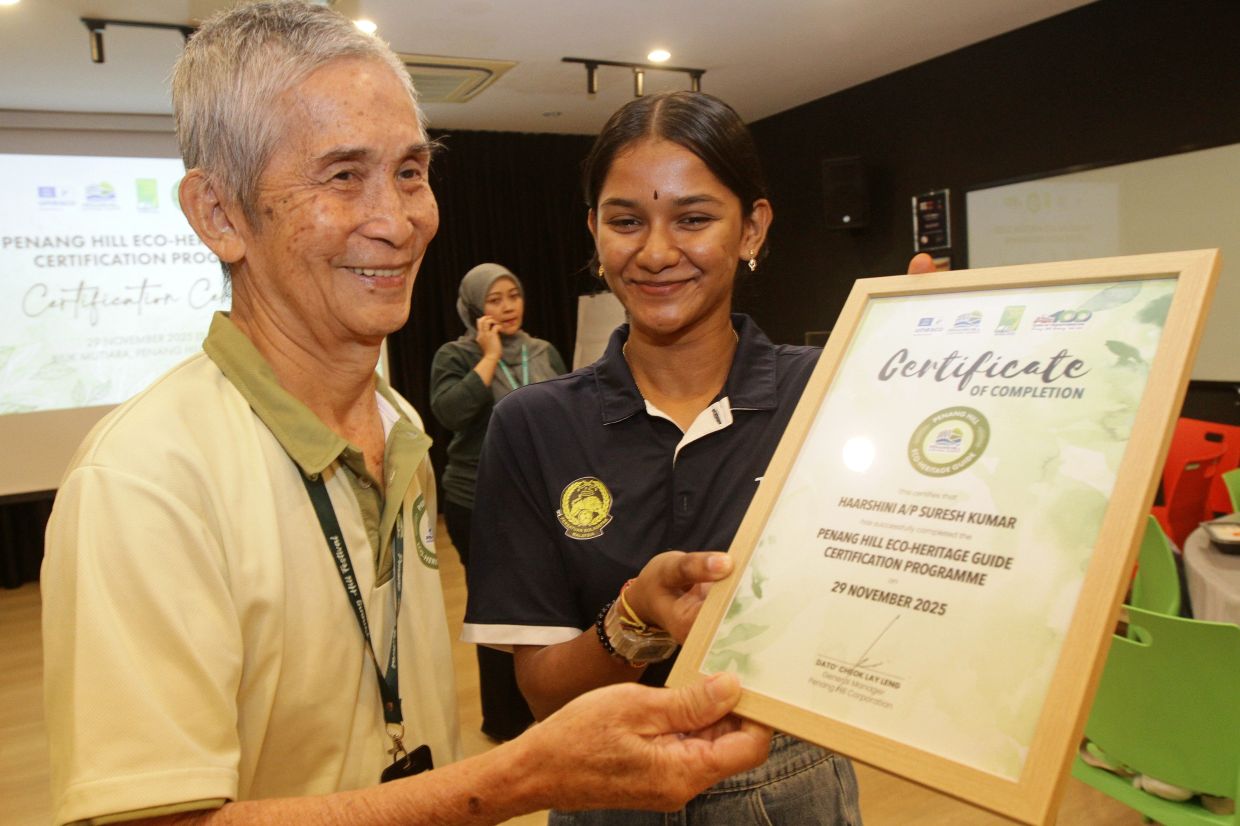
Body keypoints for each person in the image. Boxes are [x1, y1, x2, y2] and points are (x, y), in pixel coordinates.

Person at [38, 5, 772, 825]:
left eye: (412, 172)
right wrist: (520, 779)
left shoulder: (397, 433)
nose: (397, 223)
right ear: (219, 214)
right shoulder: (145, 483)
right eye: (342, 176)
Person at [463, 91, 936, 824]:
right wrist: (634, 619)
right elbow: (547, 697)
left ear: (752, 228)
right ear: (594, 231)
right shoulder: (533, 425)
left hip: (791, 786)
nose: (656, 252)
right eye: (626, 221)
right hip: (599, 791)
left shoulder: (833, 391)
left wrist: (939, 388)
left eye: (693, 219)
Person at [431, 262, 566, 740]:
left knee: (541, 601)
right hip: (477, 498)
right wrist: (488, 357)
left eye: (514, 295)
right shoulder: (455, 354)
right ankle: (504, 720)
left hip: (537, 499)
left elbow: (564, 415)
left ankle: (544, 706)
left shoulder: (542, 351)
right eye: (494, 299)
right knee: (495, 607)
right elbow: (450, 413)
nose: (508, 307)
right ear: (474, 309)